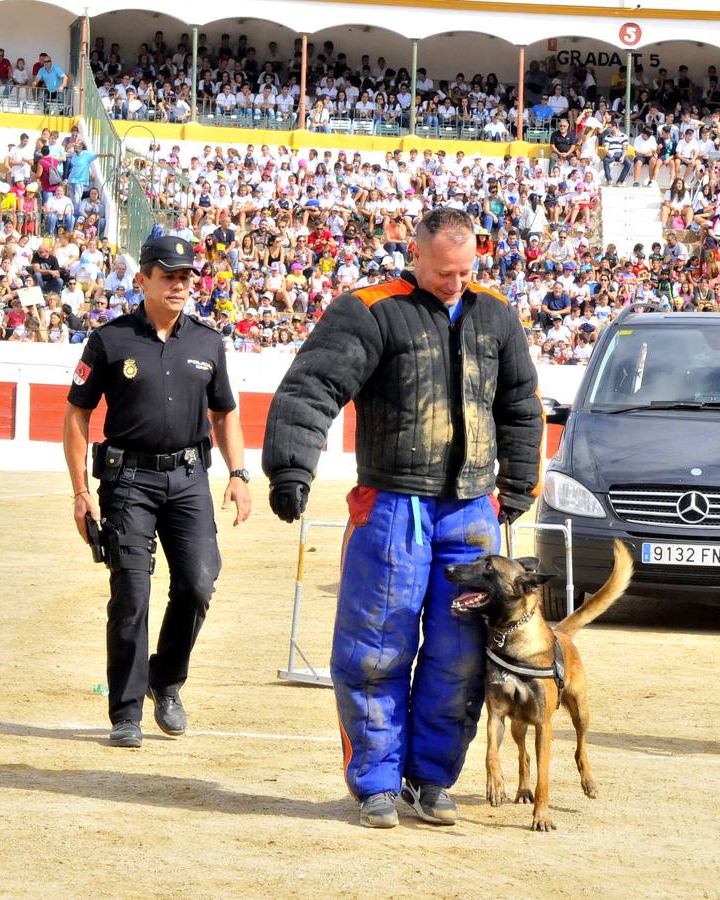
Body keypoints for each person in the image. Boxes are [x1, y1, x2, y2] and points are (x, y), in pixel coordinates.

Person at [261, 206, 543, 829]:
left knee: (462, 656)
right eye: (445, 271)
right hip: (392, 504)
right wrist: (290, 467)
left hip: (471, 511)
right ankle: (376, 785)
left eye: (465, 270)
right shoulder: (368, 309)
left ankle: (432, 781)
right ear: (414, 255)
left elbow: (520, 402)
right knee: (375, 649)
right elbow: (311, 387)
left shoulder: (495, 312)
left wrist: (520, 478)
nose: (455, 282)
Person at [62, 235, 252, 749]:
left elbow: (224, 412)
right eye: (168, 275)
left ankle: (165, 680)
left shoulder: (208, 343)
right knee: (131, 593)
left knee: (197, 582)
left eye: (186, 276)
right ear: (141, 279)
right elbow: (77, 413)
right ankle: (126, 711)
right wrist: (81, 492)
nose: (179, 284)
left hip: (189, 480)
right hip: (127, 483)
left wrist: (239, 473)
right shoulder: (109, 340)